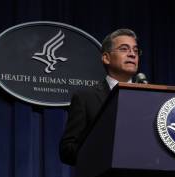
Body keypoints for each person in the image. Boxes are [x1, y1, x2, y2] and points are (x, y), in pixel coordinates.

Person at [59, 28, 141, 166]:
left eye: (135, 50)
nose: (132, 54)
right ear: (106, 58)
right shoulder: (85, 98)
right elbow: (67, 151)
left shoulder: (147, 98)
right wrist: (99, 144)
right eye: (124, 49)